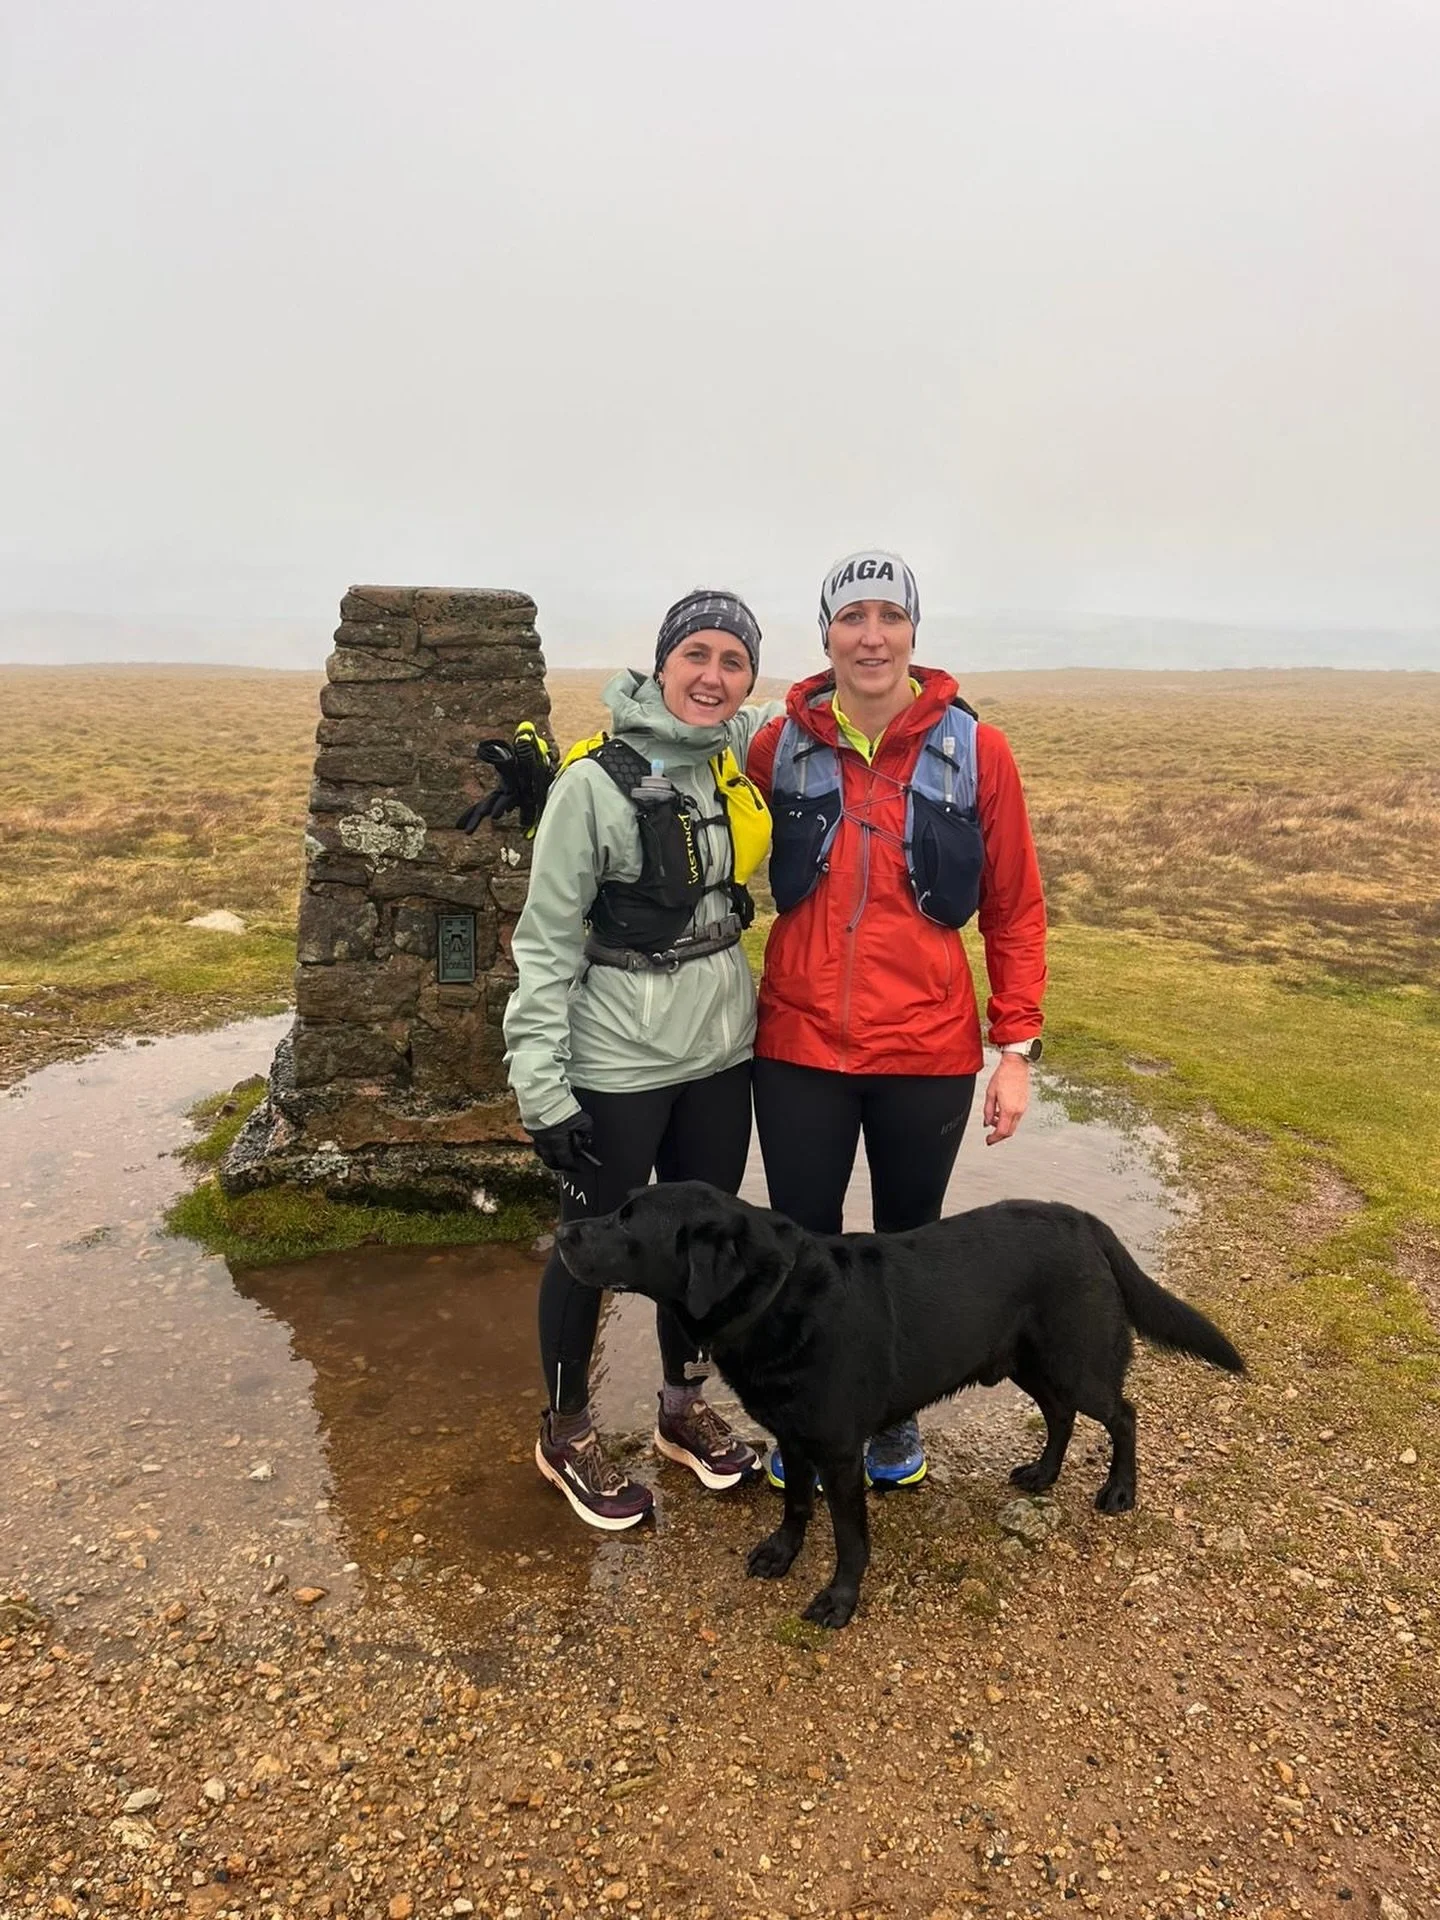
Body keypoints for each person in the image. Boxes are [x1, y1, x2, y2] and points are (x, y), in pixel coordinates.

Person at [746, 550, 1047, 1491]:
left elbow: (1015, 908)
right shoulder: (773, 747)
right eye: (851, 617)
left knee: (910, 1241)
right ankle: (810, 1415)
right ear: (825, 633)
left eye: (888, 615)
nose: (870, 635)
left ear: (913, 631)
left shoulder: (976, 750)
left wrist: (1016, 1052)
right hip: (799, 1043)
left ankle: (892, 1419)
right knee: (803, 1240)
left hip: (924, 1049)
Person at [502, 590, 780, 1531]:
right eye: (695, 653)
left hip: (719, 1051)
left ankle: (680, 1407)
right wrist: (543, 1089)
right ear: (661, 662)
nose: (712, 675)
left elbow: (827, 715)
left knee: (705, 1244)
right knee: (587, 1250)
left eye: (733, 660)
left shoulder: (730, 755)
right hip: (617, 1060)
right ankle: (565, 1429)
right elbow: (544, 943)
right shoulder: (591, 785)